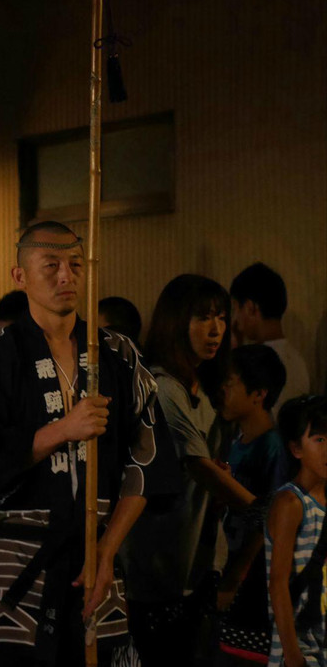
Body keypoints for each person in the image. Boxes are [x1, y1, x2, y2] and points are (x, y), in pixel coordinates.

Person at [0, 221, 180, 667]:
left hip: (97, 556)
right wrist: (63, 428)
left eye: (76, 265)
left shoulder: (118, 354)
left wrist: (107, 550)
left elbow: (148, 463)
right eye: (50, 265)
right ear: (19, 277)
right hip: (19, 562)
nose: (65, 276)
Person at [120, 274, 257, 667]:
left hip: (199, 555)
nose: (215, 329)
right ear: (175, 322)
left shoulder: (201, 387)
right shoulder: (164, 387)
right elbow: (196, 466)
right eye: (202, 318)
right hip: (161, 561)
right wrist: (262, 507)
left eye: (220, 318)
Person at [216, 345, 288, 665]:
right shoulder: (236, 439)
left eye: (231, 384)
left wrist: (234, 577)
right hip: (232, 566)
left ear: (258, 394)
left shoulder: (273, 447)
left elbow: (268, 520)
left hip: (253, 580)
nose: (224, 391)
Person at [266, 395, 327, 667]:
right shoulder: (291, 503)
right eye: (319, 440)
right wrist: (293, 656)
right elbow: (278, 583)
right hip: (301, 647)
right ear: (296, 449)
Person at [229, 263, 310, 414]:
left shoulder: (260, 363)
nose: (235, 320)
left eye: (235, 309)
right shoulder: (298, 360)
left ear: (250, 308)